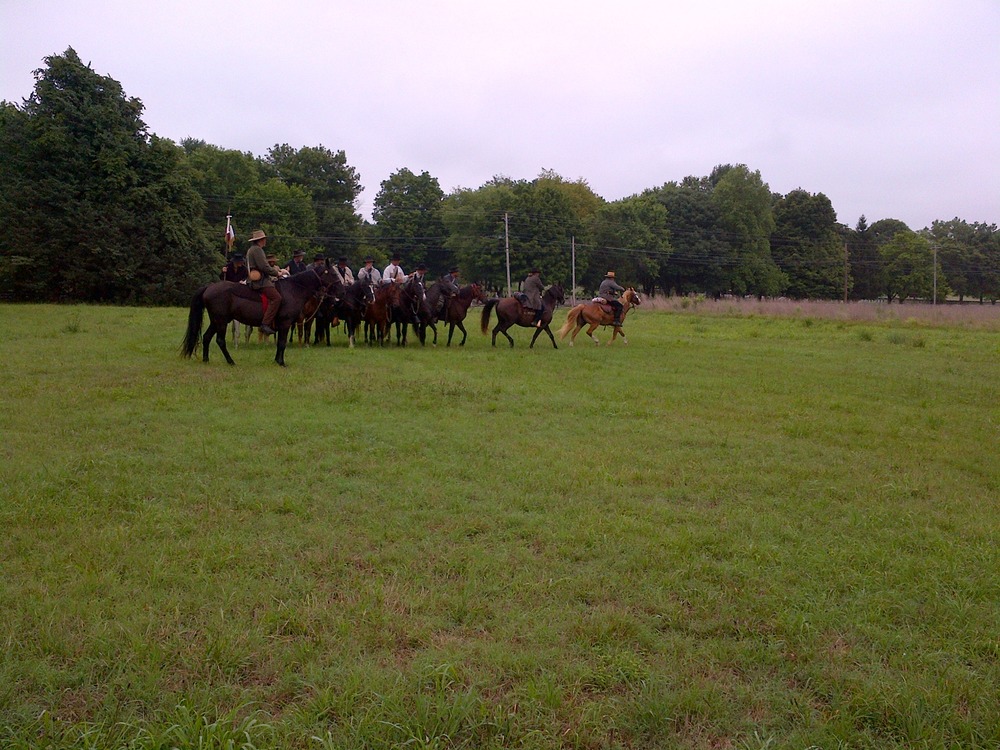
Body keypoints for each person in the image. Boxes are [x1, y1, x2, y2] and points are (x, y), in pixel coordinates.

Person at [245, 229, 287, 335]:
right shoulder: (257, 250)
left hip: (258, 278)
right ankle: (265, 323)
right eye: (264, 239)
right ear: (260, 240)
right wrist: (277, 273)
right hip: (260, 281)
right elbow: (264, 266)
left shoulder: (252, 249)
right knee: (277, 298)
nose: (265, 241)